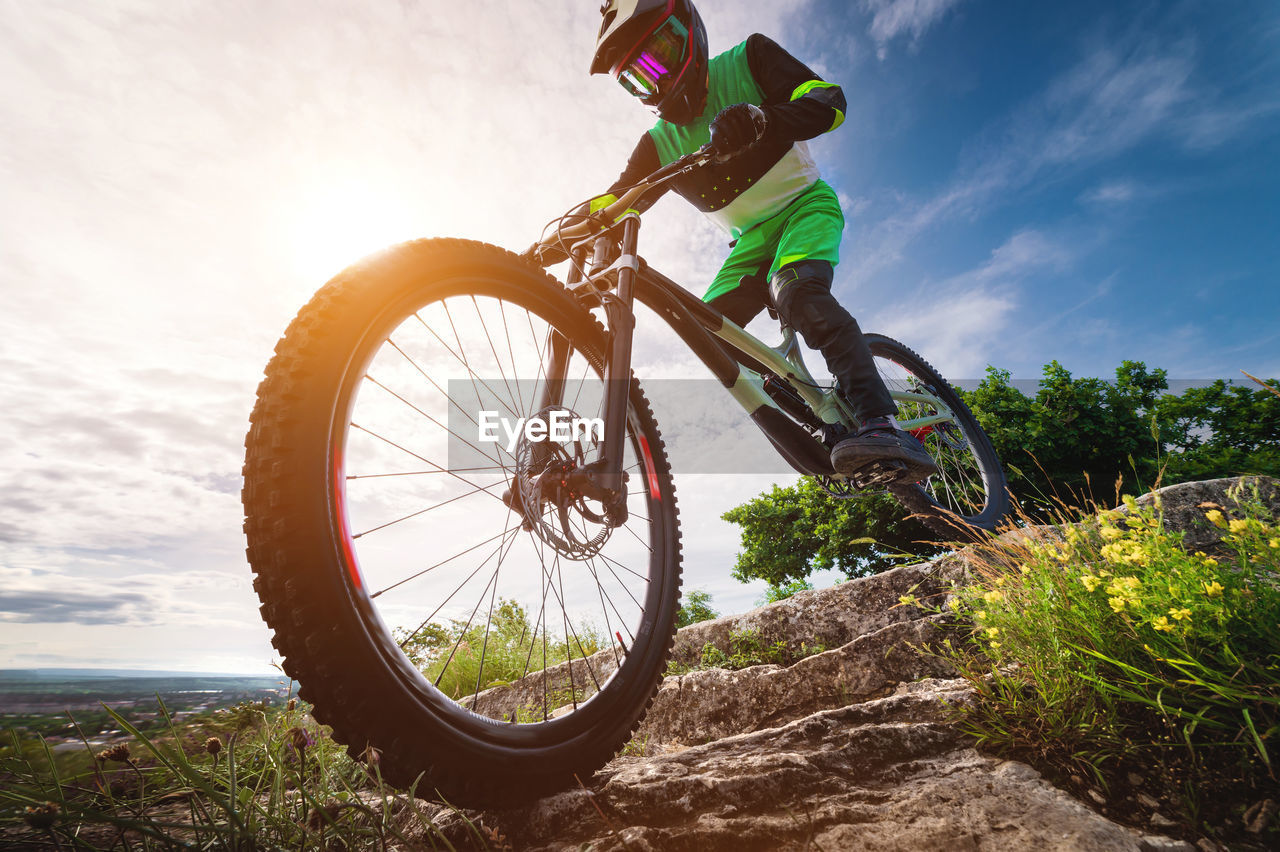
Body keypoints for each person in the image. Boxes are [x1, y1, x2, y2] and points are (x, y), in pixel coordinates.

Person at [588, 0, 938, 483]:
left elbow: (830, 101)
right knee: (708, 334)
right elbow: (618, 198)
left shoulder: (748, 59)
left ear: (688, 30)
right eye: (639, 79)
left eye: (661, 55)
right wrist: (577, 225)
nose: (659, 81)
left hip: (803, 207)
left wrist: (764, 119)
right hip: (750, 242)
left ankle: (881, 423)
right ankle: (828, 429)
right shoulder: (658, 144)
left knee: (797, 292)